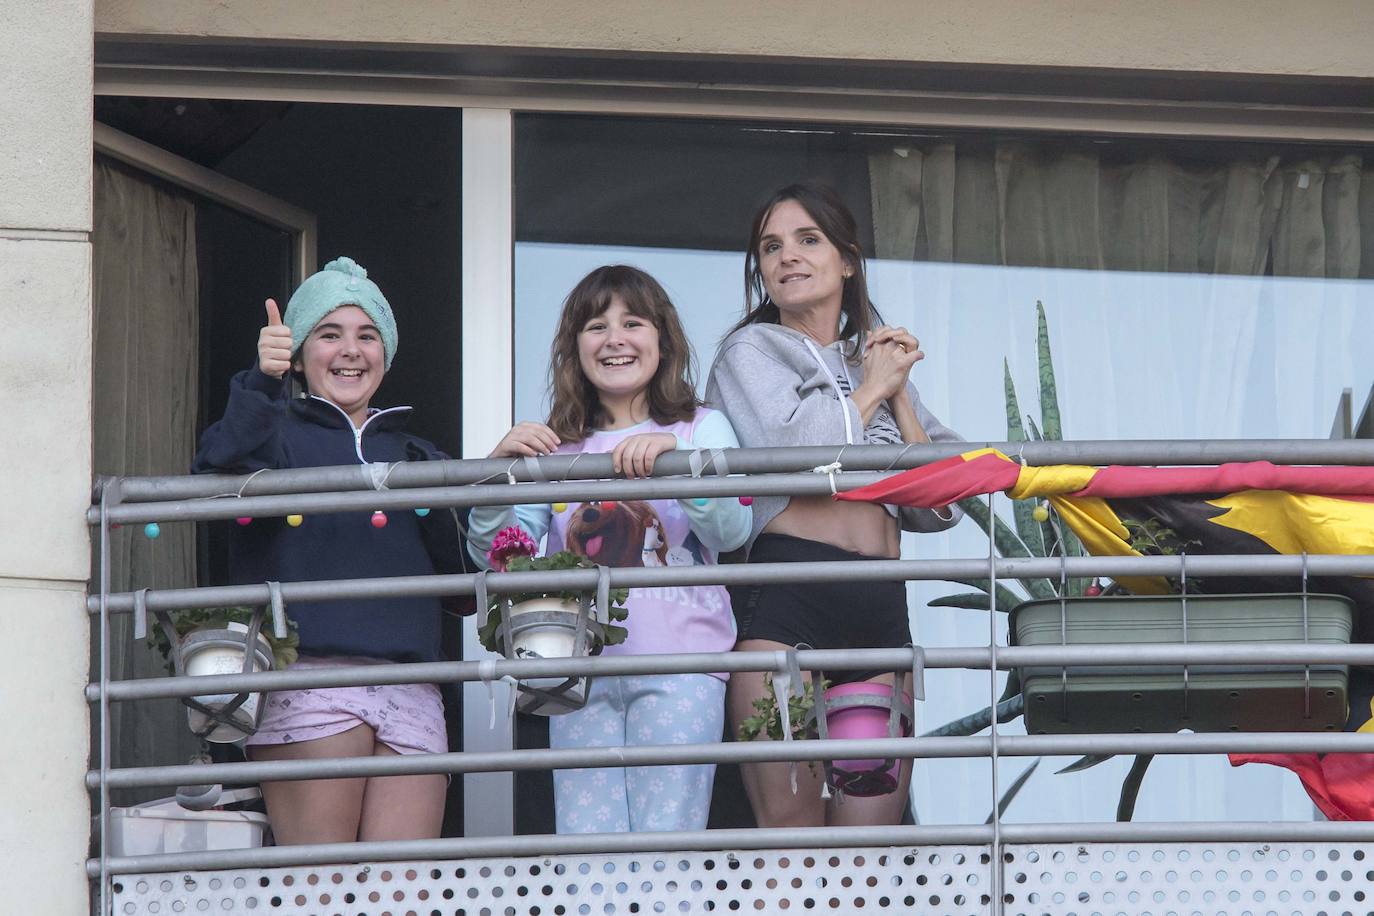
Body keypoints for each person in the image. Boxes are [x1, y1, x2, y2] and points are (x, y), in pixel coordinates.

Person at [705, 181, 964, 827]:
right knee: (791, 835)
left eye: (807, 239)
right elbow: (792, 448)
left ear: (847, 260)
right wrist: (875, 389)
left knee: (868, 851)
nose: (787, 255)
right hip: (789, 595)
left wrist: (898, 392)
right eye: (771, 246)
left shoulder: (869, 360)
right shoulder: (751, 349)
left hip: (880, 604)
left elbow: (941, 505)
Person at [192, 256, 470, 845]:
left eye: (367, 335)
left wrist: (487, 482)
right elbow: (216, 478)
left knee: (401, 901)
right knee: (322, 890)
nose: (350, 350)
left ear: (386, 355)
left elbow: (462, 585)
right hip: (308, 682)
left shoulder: (417, 452)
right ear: (298, 354)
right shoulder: (273, 435)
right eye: (329, 333)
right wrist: (261, 384)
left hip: (413, 688)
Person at [468, 264, 751, 834]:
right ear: (575, 347)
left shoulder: (701, 427)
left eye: (633, 322)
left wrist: (676, 464)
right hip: (575, 670)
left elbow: (732, 531)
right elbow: (497, 556)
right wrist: (496, 477)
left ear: (663, 341)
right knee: (586, 851)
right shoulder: (554, 445)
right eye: (596, 325)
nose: (615, 338)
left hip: (682, 666)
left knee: (667, 841)